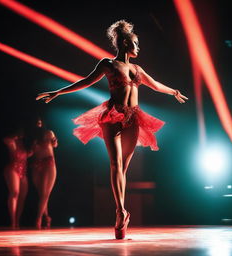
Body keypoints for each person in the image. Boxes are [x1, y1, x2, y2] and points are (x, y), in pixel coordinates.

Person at [36, 20, 188, 239]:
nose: (138, 47)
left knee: (123, 168)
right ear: (125, 43)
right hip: (113, 116)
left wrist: (173, 91)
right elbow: (85, 82)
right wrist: (59, 92)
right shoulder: (108, 64)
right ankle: (120, 211)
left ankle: (122, 215)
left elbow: (154, 84)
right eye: (135, 43)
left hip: (133, 118)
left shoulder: (137, 69)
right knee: (115, 163)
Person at [29, 117, 58, 229]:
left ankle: (38, 219)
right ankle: (47, 217)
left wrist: (54, 140)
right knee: (42, 194)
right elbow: (30, 153)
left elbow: (55, 145)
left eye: (40, 122)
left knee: (45, 193)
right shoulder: (31, 137)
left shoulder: (49, 133)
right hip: (36, 165)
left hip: (48, 164)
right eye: (36, 122)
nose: (38, 125)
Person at [3, 128, 32, 229]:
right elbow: (6, 139)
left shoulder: (25, 144)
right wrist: (16, 135)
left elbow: (28, 154)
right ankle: (13, 221)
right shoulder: (12, 141)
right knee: (15, 192)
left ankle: (17, 221)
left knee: (22, 197)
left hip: (23, 170)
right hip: (12, 168)